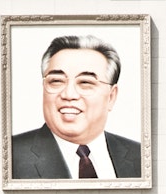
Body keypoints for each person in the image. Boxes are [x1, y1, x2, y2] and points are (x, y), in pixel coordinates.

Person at [12, 34, 141, 179]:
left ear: (111, 97)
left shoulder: (141, 156)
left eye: (85, 83)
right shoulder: (10, 156)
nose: (69, 94)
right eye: (56, 81)